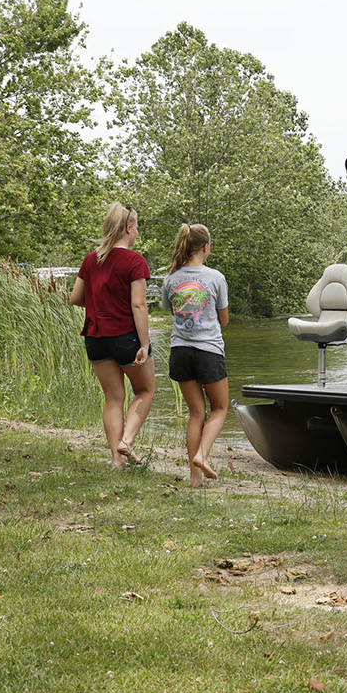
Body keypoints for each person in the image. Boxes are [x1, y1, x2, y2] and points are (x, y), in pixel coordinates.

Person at [70, 203, 156, 469]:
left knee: (113, 398)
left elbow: (76, 298)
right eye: (137, 227)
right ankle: (127, 441)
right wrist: (144, 343)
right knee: (145, 390)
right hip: (125, 336)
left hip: (95, 338)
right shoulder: (134, 261)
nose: (138, 233)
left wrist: (101, 305)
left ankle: (116, 461)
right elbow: (139, 305)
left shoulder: (91, 259)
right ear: (128, 228)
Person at [162, 223, 229, 486]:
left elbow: (173, 313)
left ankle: (194, 477)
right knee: (221, 408)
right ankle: (202, 455)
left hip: (180, 351)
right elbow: (223, 320)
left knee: (196, 413)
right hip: (209, 351)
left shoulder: (171, 278)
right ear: (206, 247)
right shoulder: (215, 278)